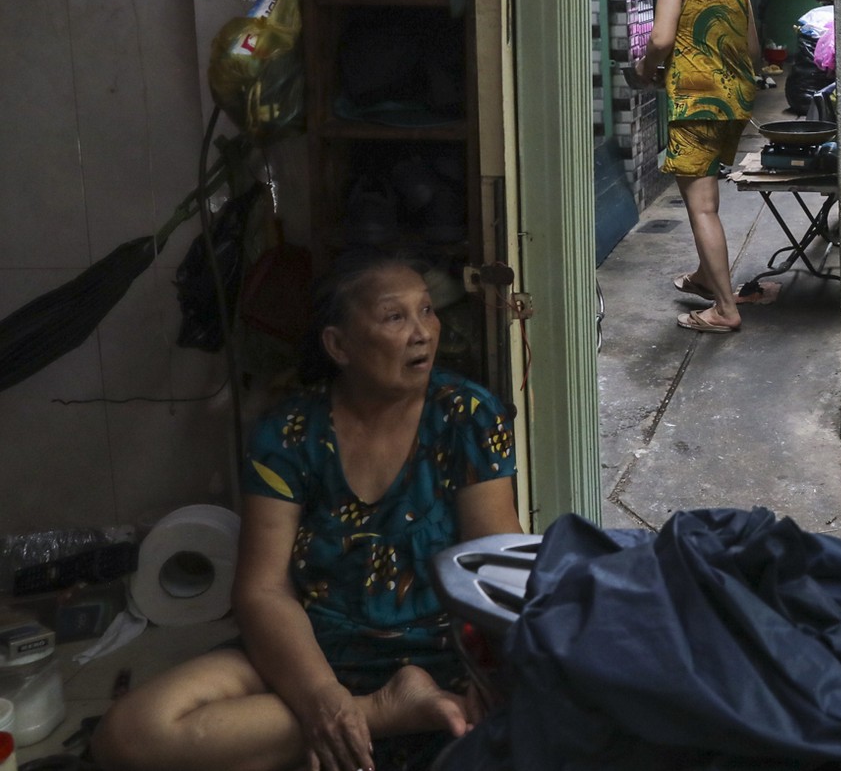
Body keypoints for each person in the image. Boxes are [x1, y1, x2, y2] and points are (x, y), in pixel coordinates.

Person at [93, 254, 522, 771]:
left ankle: (361, 724)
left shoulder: (469, 416)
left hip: (441, 649)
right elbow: (262, 589)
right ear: (339, 345)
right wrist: (321, 695)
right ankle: (384, 714)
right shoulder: (289, 433)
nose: (423, 333)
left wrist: (498, 673)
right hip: (312, 648)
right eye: (395, 317)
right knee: (131, 734)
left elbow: (496, 563)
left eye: (427, 310)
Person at [636, 0, 772, 332]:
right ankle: (703, 276)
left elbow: (660, 38)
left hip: (696, 102)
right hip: (733, 102)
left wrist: (646, 68)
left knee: (703, 208)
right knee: (707, 196)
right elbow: (752, 50)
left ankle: (725, 309)